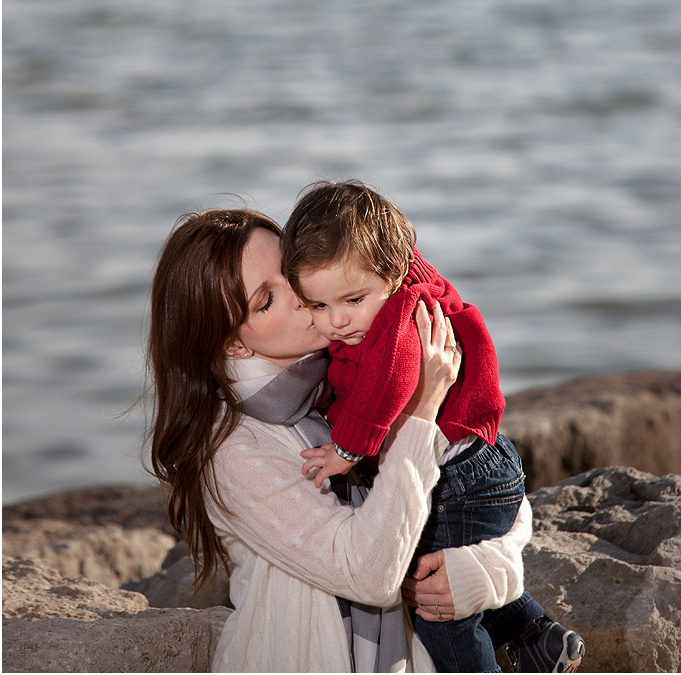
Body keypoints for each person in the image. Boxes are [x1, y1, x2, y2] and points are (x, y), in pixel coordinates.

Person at [147, 206, 537, 674]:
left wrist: (484, 573)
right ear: (234, 344)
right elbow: (370, 574)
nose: (300, 295)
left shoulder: (349, 368)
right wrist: (421, 412)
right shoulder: (235, 448)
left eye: (289, 271)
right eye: (265, 300)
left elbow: (486, 479)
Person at [283, 180, 586, 675]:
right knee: (446, 572)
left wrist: (348, 449)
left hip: (459, 482)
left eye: (352, 299)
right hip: (481, 463)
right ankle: (541, 642)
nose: (336, 320)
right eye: (318, 306)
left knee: (438, 608)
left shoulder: (401, 319)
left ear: (393, 272)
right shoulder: (403, 283)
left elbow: (391, 379)